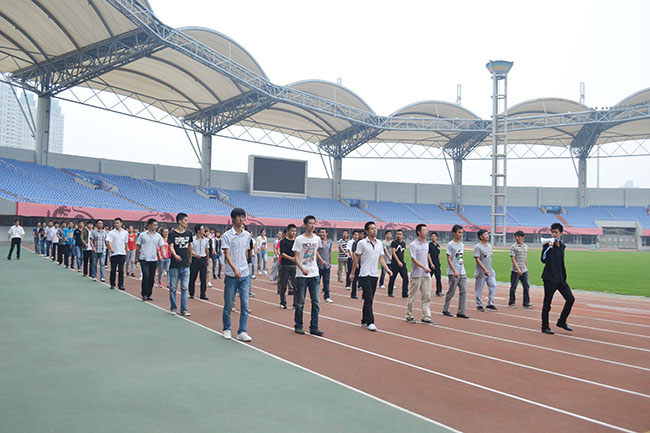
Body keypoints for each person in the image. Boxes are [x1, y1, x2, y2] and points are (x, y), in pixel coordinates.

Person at [352, 221, 392, 331]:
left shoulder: (379, 243)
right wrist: (352, 272)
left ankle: (364, 320)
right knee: (368, 297)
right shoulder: (362, 243)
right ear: (367, 231)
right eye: (372, 229)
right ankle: (370, 321)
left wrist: (387, 269)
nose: (374, 230)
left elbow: (381, 258)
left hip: (374, 274)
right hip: (364, 274)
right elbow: (356, 257)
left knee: (369, 299)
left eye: (375, 228)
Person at [221, 208, 253, 342]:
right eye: (238, 217)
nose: (241, 219)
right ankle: (227, 329)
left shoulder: (247, 235)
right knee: (228, 305)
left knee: (245, 305)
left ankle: (242, 331)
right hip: (231, 275)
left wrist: (246, 266)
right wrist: (234, 269)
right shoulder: (227, 235)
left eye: (243, 217)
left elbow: (245, 252)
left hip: (245, 274)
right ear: (233, 219)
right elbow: (227, 254)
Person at [292, 215, 325, 336]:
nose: (312, 225)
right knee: (300, 302)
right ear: (305, 225)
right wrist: (302, 268)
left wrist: (321, 261)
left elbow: (315, 252)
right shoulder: (299, 239)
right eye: (310, 223)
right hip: (302, 275)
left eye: (314, 223)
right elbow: (296, 257)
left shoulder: (317, 239)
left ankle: (314, 327)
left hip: (314, 274)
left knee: (316, 302)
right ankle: (298, 325)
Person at [541, 223, 575, 335]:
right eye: (552, 232)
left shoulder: (562, 246)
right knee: (547, 303)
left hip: (560, 279)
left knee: (570, 299)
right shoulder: (547, 245)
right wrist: (549, 248)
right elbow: (543, 260)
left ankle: (561, 321)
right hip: (549, 278)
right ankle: (545, 326)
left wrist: (563, 277)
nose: (554, 234)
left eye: (556, 232)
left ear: (561, 233)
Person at [406, 224, 434, 324]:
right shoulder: (413, 245)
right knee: (412, 296)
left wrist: (429, 265)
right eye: (424, 230)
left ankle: (426, 317)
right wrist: (424, 267)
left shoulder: (426, 244)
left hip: (426, 275)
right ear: (418, 232)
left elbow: (426, 257)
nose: (427, 232)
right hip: (416, 275)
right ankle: (409, 315)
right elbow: (414, 259)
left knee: (427, 296)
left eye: (427, 230)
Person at [168, 213, 193, 316]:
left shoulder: (189, 233)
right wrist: (175, 255)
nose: (187, 222)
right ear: (179, 221)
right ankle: (173, 308)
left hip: (186, 264)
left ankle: (184, 309)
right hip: (175, 265)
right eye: (185, 220)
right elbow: (171, 246)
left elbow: (190, 246)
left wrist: (190, 258)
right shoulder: (172, 234)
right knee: (173, 288)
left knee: (184, 288)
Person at [442, 224, 469, 319]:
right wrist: (454, 271)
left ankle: (461, 311)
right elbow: (449, 259)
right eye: (459, 232)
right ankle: (445, 309)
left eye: (462, 232)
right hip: (453, 272)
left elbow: (459, 256)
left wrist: (461, 263)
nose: (461, 234)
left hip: (462, 271)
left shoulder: (462, 245)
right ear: (454, 233)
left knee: (464, 291)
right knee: (452, 291)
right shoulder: (450, 244)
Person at [136, 218, 165, 302]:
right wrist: (136, 258)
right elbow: (138, 247)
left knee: (152, 278)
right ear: (149, 225)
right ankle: (144, 294)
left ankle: (149, 294)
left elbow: (162, 246)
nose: (156, 226)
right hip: (144, 258)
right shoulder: (142, 235)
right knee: (146, 276)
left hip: (153, 259)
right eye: (154, 225)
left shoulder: (158, 236)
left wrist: (163, 253)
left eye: (156, 225)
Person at [474, 229, 497, 311]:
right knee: (479, 289)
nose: (487, 236)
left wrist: (489, 270)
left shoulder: (489, 246)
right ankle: (479, 304)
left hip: (490, 271)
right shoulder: (478, 247)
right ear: (481, 236)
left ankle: (490, 303)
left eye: (487, 234)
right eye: (485, 234)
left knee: (493, 286)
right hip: (481, 272)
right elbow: (477, 259)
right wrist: (484, 269)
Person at [509, 230, 533, 309]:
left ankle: (526, 302)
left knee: (526, 286)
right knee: (513, 286)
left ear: (522, 237)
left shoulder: (526, 246)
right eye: (516, 236)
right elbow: (513, 259)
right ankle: (512, 302)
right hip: (515, 270)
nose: (517, 238)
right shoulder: (513, 247)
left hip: (524, 269)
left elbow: (525, 257)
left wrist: (526, 267)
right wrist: (518, 269)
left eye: (519, 236)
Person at [105, 217, 128, 290]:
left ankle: (121, 284)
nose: (116, 224)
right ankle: (112, 283)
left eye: (117, 223)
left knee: (121, 270)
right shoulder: (111, 233)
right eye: (115, 223)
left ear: (121, 223)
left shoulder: (125, 233)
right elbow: (108, 241)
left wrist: (126, 249)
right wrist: (110, 248)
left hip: (122, 253)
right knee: (113, 269)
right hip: (114, 253)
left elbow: (126, 242)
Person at [278, 224, 297, 309]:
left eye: (295, 231)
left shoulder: (296, 241)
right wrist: (292, 258)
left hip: (294, 266)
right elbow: (282, 253)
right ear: (288, 231)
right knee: (283, 285)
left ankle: (295, 303)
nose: (294, 233)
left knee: (295, 286)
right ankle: (283, 302)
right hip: (285, 265)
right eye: (292, 231)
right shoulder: (283, 241)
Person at [189, 224, 210, 300]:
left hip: (203, 259)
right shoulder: (192, 239)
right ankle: (191, 293)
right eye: (202, 229)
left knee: (203, 278)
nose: (204, 230)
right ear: (198, 231)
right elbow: (190, 249)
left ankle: (203, 294)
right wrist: (195, 254)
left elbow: (207, 250)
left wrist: (207, 259)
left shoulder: (206, 240)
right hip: (195, 259)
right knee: (193, 277)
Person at [388, 229, 409, 298]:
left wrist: (402, 260)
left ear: (402, 235)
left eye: (400, 234)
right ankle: (390, 292)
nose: (398, 236)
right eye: (397, 234)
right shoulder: (394, 243)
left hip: (402, 263)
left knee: (406, 278)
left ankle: (405, 293)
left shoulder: (403, 243)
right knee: (392, 278)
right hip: (395, 263)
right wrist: (398, 261)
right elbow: (393, 253)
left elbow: (403, 252)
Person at [317, 227, 334, 303]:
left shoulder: (330, 242)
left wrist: (330, 263)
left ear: (326, 233)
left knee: (326, 281)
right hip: (319, 265)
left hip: (326, 265)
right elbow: (316, 252)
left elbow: (329, 253)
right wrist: (321, 260)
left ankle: (327, 296)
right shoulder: (317, 241)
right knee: (317, 281)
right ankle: (316, 296)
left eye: (323, 232)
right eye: (320, 232)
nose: (322, 234)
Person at [349, 230, 364, 299]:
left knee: (364, 280)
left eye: (361, 234)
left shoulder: (366, 243)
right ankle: (353, 293)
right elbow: (354, 253)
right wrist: (356, 262)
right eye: (359, 234)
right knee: (355, 279)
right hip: (357, 263)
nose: (360, 235)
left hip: (364, 264)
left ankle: (364, 294)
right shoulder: (356, 243)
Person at [428, 231, 443, 296]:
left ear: (437, 237)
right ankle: (426, 290)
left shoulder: (437, 245)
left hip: (437, 264)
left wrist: (439, 263)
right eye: (432, 236)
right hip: (431, 264)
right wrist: (431, 264)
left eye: (434, 236)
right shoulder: (429, 245)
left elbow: (438, 255)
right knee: (428, 278)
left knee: (438, 278)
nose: (433, 237)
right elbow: (428, 255)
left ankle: (439, 291)